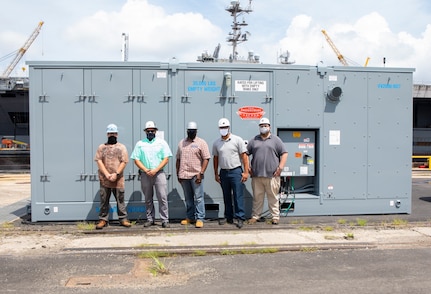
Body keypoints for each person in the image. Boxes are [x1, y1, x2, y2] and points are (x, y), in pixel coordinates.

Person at [131, 121, 173, 228]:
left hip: (159, 173)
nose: (150, 132)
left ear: (155, 131)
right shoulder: (140, 144)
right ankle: (150, 219)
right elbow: (136, 159)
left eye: (152, 131)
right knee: (148, 198)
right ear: (145, 132)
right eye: (148, 131)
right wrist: (145, 169)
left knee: (162, 197)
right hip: (145, 174)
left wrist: (156, 169)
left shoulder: (162, 143)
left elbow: (166, 158)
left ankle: (164, 219)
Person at [246, 117, 288, 225]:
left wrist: (280, 168)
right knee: (257, 198)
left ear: (269, 127)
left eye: (265, 125)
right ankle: (255, 216)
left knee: (273, 197)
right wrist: (247, 167)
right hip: (257, 176)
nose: (263, 127)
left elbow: (284, 153)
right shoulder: (254, 140)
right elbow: (245, 153)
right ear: (259, 127)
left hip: (272, 176)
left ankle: (275, 217)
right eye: (261, 126)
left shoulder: (276, 140)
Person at [212, 118, 249, 229]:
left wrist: (246, 172)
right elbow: (215, 158)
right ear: (219, 129)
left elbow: (244, 157)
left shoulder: (237, 140)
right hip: (224, 172)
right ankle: (228, 217)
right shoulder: (216, 143)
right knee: (226, 196)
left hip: (236, 171)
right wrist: (216, 174)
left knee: (238, 195)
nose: (223, 129)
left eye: (225, 127)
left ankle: (240, 217)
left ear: (229, 128)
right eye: (221, 128)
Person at [94, 123, 131, 229]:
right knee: (104, 199)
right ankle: (103, 219)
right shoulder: (102, 147)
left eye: (114, 133)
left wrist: (116, 174)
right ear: (107, 134)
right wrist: (106, 174)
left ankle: (123, 219)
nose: (112, 135)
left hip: (118, 179)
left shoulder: (121, 147)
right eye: (110, 133)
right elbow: (99, 161)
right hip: (104, 179)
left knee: (120, 199)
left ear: (117, 134)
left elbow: (124, 161)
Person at [176, 121, 211, 228]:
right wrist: (178, 173)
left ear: (196, 131)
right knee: (188, 198)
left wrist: (201, 173)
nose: (191, 132)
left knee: (199, 197)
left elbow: (206, 158)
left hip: (196, 175)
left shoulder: (201, 143)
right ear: (187, 131)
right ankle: (190, 217)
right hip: (184, 175)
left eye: (193, 131)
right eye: (189, 131)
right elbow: (178, 159)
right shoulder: (182, 143)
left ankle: (200, 218)